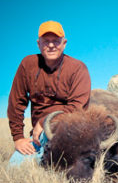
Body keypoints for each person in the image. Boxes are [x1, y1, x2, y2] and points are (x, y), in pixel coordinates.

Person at [7, 20, 91, 165]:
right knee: (13, 167)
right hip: (38, 135)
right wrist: (18, 138)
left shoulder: (78, 68)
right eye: (46, 41)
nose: (51, 45)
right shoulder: (27, 65)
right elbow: (16, 102)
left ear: (64, 43)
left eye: (56, 41)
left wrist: (45, 121)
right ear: (38, 43)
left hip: (67, 130)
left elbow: (77, 107)